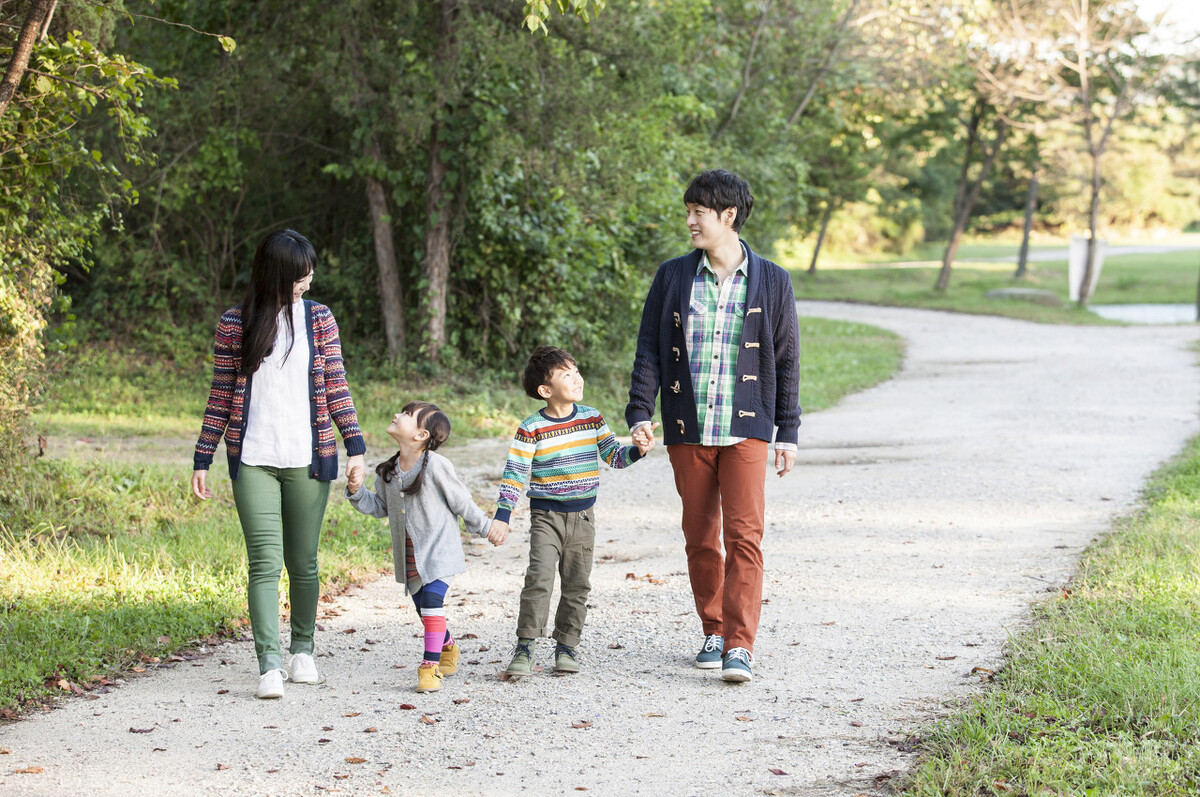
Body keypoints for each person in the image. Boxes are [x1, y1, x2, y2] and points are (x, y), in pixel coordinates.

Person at [626, 169, 801, 684]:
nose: (690, 221)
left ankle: (740, 645)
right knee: (701, 537)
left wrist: (787, 431)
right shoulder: (673, 276)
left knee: (745, 536)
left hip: (747, 428)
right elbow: (649, 350)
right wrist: (640, 412)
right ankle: (714, 628)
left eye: (698, 212)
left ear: (728, 215)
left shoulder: (773, 280)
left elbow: (786, 359)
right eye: (688, 211)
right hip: (689, 426)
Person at [192, 229, 366, 700]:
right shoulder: (236, 322)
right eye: (298, 274)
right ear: (274, 274)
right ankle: (269, 664)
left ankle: (302, 651)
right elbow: (221, 394)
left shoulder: (319, 319)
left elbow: (336, 385)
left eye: (309, 272)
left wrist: (355, 446)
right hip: (253, 459)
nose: (307, 281)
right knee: (264, 563)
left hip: (308, 459)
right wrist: (203, 456)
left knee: (303, 562)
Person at [489, 345, 655, 678]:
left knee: (577, 584)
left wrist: (638, 450)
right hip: (546, 517)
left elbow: (613, 457)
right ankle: (525, 646)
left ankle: (566, 645)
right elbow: (515, 473)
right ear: (545, 390)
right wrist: (503, 516)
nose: (577, 378)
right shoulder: (532, 427)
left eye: (576, 371)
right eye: (567, 375)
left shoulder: (592, 418)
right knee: (539, 579)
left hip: (583, 518)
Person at [346, 401, 503, 693]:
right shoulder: (389, 471)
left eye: (407, 414)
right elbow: (378, 506)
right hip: (411, 559)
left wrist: (486, 527)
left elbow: (461, 502)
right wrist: (356, 491)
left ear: (421, 435)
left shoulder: (436, 466)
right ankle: (448, 646)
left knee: (431, 602)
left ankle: (429, 668)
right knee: (424, 610)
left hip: (440, 553)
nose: (397, 414)